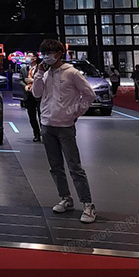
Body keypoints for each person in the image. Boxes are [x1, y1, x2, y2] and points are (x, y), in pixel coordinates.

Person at [32, 39, 97, 224]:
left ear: (60, 53)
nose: (46, 56)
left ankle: (88, 204)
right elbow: (36, 94)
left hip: (65, 126)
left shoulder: (72, 73)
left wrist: (75, 112)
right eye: (44, 53)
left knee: (74, 166)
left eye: (49, 53)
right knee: (55, 167)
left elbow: (89, 94)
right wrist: (38, 74)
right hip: (47, 124)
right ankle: (66, 198)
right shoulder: (44, 73)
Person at [23, 53, 42, 142]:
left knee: (41, 116)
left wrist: (33, 81)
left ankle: (44, 134)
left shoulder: (41, 68)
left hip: (39, 96)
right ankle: (36, 134)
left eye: (29, 56)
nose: (27, 58)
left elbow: (44, 80)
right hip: (28, 96)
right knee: (32, 117)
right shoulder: (24, 69)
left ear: (35, 58)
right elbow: (20, 80)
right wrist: (25, 86)